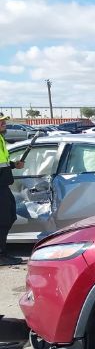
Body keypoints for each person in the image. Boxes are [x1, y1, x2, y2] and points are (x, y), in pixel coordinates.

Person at [0, 114, 25, 266]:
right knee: (3, 220)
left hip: (3, 186)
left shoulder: (1, 139)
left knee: (9, 217)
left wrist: (14, 165)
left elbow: (2, 162)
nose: (4, 123)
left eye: (4, 121)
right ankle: (1, 255)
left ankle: (3, 253)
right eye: (1, 122)